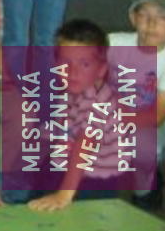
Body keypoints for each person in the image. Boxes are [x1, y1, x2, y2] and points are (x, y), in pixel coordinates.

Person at [26, 19, 125, 210]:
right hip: (63, 165)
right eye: (65, 62)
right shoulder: (72, 90)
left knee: (37, 208)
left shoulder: (98, 100)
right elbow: (63, 129)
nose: (72, 72)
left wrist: (64, 194)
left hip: (93, 180)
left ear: (101, 70)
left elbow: (85, 143)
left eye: (84, 64)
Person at [109, 0, 165, 208]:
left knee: (142, 146)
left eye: (162, 17)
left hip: (159, 127)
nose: (151, 23)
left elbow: (158, 116)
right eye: (144, 15)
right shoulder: (113, 42)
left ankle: (144, 193)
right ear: (132, 18)